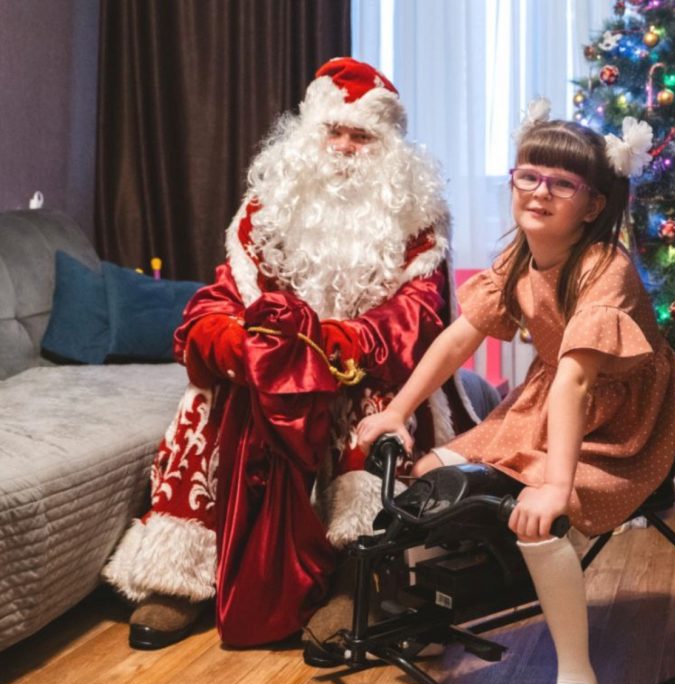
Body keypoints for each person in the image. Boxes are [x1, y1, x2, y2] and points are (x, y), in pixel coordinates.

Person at [102, 57, 473, 651]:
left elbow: (420, 315)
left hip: (362, 366)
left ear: (388, 149)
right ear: (309, 134)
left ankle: (358, 575)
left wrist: (335, 346)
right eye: (334, 131)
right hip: (275, 365)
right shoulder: (266, 207)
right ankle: (181, 574)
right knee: (207, 399)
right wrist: (228, 340)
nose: (344, 147)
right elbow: (225, 293)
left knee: (374, 414)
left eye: (361, 136)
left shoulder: (417, 219)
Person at [357, 109, 675, 684]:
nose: (539, 191)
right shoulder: (517, 259)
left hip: (619, 418)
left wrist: (554, 485)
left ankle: (578, 680)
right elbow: (459, 339)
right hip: (547, 398)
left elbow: (580, 381)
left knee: (538, 519)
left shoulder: (603, 268)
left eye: (562, 183)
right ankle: (432, 616)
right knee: (428, 477)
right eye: (528, 176)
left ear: (592, 205)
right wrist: (397, 410)